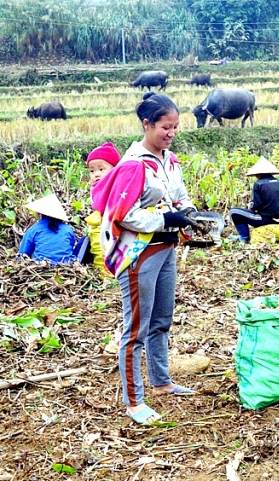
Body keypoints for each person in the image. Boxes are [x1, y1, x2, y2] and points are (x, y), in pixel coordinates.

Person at [91, 91, 199, 425]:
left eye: (176, 127)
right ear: (147, 124)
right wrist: (166, 220)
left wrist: (190, 214)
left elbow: (179, 197)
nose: (171, 133)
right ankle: (134, 401)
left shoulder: (170, 160)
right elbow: (122, 214)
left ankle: (162, 382)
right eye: (165, 127)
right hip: (139, 253)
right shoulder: (133, 166)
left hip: (166, 249)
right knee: (135, 328)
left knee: (161, 319)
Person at [228, 157, 279, 243]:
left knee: (234, 212)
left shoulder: (258, 184)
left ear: (257, 174)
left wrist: (251, 206)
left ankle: (244, 237)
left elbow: (256, 206)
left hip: (269, 219)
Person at [83, 141, 121, 275]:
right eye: (92, 171)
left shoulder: (117, 187)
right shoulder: (95, 188)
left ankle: (110, 273)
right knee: (98, 248)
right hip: (100, 223)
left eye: (101, 169)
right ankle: (102, 271)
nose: (96, 174)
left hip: (113, 224)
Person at [18, 193, 77, 264]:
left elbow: (23, 254)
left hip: (41, 266)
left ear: (40, 213)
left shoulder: (34, 229)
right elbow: (71, 246)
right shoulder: (68, 229)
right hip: (66, 265)